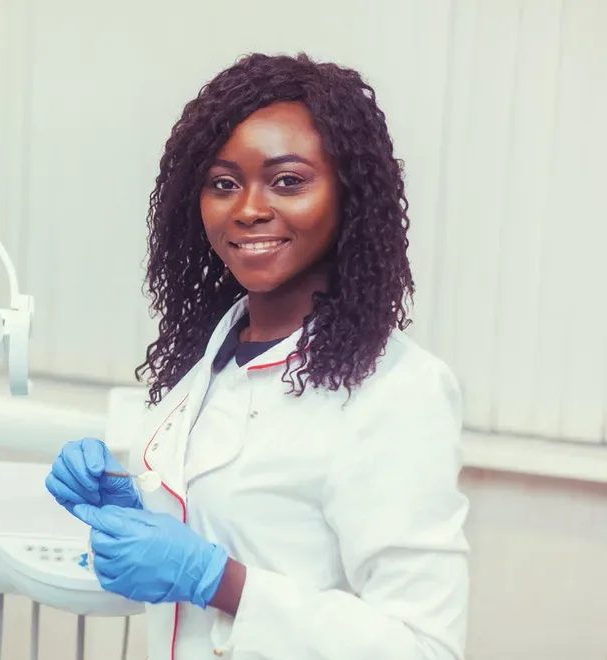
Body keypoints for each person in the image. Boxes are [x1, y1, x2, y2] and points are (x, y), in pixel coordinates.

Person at [45, 52, 469, 660]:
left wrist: (223, 583)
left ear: (350, 196)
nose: (247, 208)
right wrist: (136, 506)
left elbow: (426, 647)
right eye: (223, 183)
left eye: (288, 181)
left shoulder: (398, 389)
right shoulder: (210, 357)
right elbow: (231, 528)